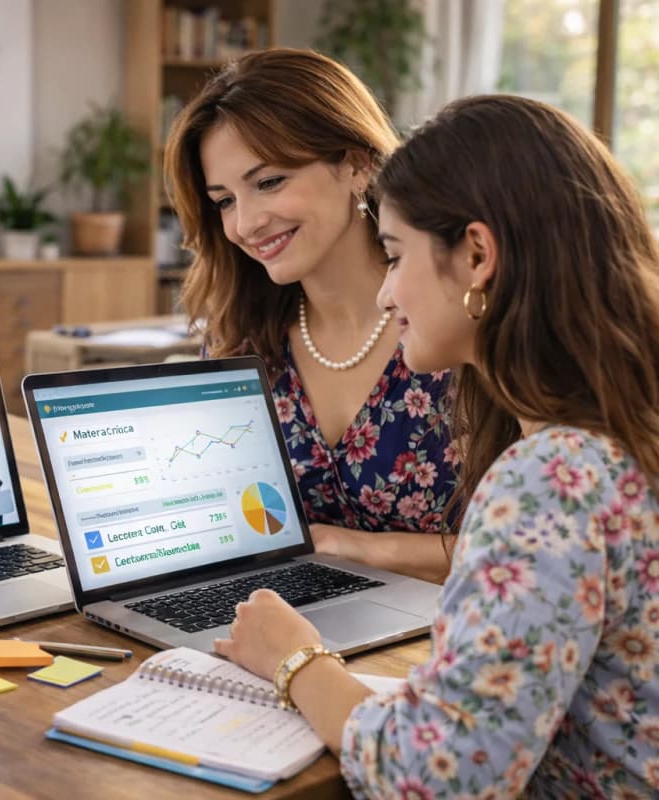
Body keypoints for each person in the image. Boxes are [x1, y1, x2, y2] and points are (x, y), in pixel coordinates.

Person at [218, 94, 659, 797]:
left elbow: (438, 777)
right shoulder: (621, 429)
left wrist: (295, 660)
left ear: (478, 254)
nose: (388, 294)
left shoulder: (551, 478)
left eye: (395, 256)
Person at [165, 48, 458, 583]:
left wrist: (355, 548)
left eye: (269, 182)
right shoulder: (238, 337)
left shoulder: (461, 322)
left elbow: (544, 548)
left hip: (455, 642)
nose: (247, 222)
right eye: (224, 200)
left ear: (356, 162)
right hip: (284, 627)